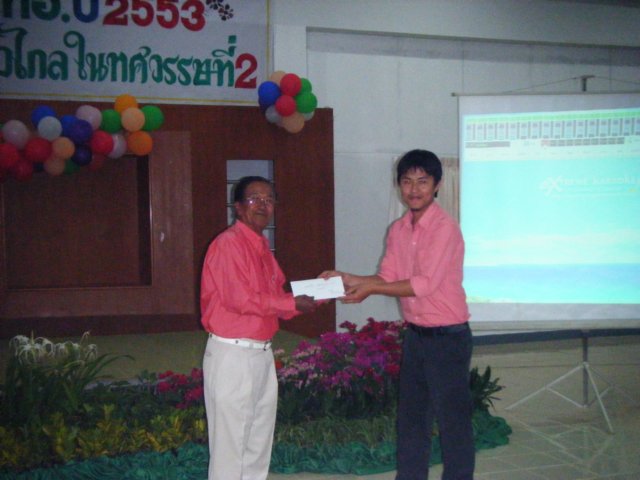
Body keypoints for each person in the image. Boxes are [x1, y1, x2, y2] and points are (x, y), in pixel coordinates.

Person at [321, 149, 474, 480]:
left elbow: (423, 284)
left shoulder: (445, 228)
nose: (414, 189)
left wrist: (370, 288)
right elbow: (386, 277)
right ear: (399, 185)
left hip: (449, 338)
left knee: (453, 424)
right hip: (416, 336)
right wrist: (347, 278)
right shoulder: (398, 229)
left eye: (422, 181)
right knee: (412, 420)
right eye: (407, 181)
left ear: (437, 185)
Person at [200, 175, 316, 480]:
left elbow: (276, 299)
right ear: (238, 207)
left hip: (261, 354)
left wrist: (317, 294)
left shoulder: (262, 248)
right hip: (233, 355)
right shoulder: (227, 245)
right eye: (254, 199)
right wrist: (291, 303)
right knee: (230, 449)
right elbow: (240, 299)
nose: (263, 205)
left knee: (257, 443)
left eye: (269, 199)